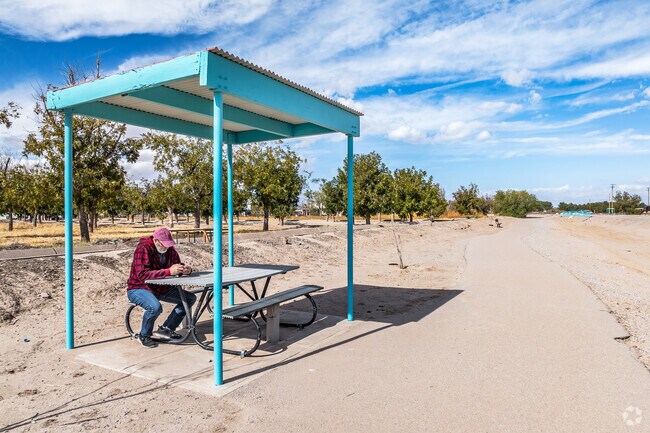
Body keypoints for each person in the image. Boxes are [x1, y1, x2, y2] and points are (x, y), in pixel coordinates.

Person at [127, 227, 196, 348]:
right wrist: (169, 271)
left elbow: (176, 265)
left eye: (168, 245)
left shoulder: (170, 250)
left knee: (189, 298)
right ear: (156, 241)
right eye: (164, 244)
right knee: (155, 307)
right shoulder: (143, 248)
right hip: (139, 288)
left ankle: (167, 329)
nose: (166, 247)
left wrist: (185, 270)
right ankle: (144, 335)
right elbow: (143, 274)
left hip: (161, 288)